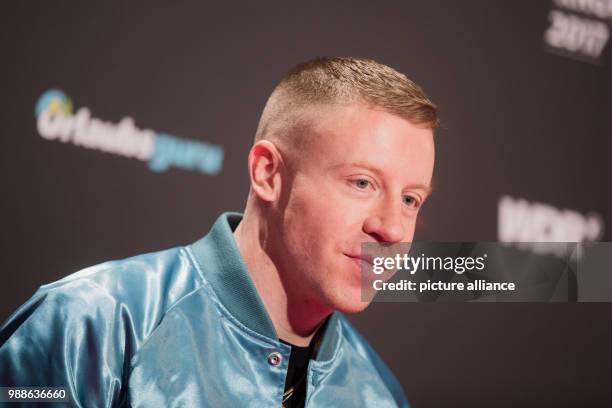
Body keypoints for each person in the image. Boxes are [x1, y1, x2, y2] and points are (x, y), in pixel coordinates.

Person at [0, 56, 437, 407]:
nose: (392, 228)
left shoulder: (380, 393)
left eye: (410, 199)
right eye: (362, 183)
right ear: (268, 174)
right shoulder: (91, 324)